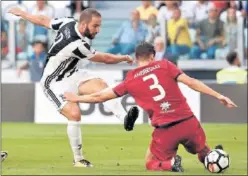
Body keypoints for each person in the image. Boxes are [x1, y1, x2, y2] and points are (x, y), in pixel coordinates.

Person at [63, 42, 237, 172]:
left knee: (149, 162)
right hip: (189, 122)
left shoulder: (130, 79)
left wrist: (77, 97)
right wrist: (219, 96)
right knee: (201, 149)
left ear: (137, 58)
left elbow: (100, 96)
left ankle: (170, 164)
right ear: (153, 56)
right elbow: (192, 82)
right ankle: (210, 156)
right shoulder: (165, 65)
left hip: (165, 130)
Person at [8, 7, 138, 167]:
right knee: (74, 114)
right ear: (84, 25)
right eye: (95, 26)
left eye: (99, 26)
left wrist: (24, 14)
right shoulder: (76, 44)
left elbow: (45, 21)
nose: (98, 30)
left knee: (101, 86)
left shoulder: (68, 22)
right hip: (53, 82)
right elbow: (104, 58)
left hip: (72, 74)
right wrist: (123, 57)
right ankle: (78, 159)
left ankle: (125, 118)